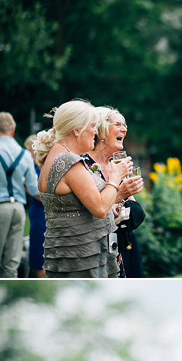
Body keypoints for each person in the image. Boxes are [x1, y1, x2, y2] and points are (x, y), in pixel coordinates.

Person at [33, 99, 142, 278]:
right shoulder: (68, 161)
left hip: (63, 253)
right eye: (92, 125)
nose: (95, 131)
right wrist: (116, 177)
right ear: (77, 130)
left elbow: (78, 206)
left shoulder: (51, 157)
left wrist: (112, 205)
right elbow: (99, 209)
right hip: (82, 255)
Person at [0, 113, 39, 278]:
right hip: (18, 209)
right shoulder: (24, 154)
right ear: (13, 130)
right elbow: (34, 188)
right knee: (11, 264)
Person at [91, 107, 145, 277]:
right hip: (96, 249)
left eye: (125, 125)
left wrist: (125, 194)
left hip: (125, 245)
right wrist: (121, 195)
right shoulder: (84, 166)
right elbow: (91, 213)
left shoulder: (117, 165)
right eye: (118, 124)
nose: (124, 129)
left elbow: (137, 213)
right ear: (101, 130)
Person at [23, 136, 46, 278]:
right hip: (36, 216)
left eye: (29, 150)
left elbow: (44, 196)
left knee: (40, 260)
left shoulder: (43, 168)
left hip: (41, 218)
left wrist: (26, 187)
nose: (28, 154)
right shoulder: (35, 167)